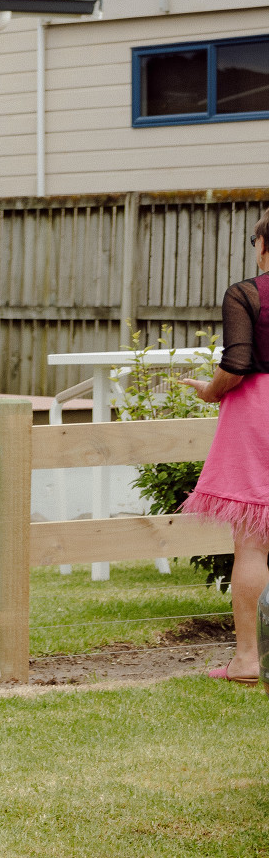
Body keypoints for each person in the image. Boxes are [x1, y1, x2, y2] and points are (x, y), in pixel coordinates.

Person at [182, 214, 269, 684]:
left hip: (258, 414)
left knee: (252, 543)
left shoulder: (248, 293)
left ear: (262, 244)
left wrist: (211, 391)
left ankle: (249, 661)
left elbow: (236, 364)